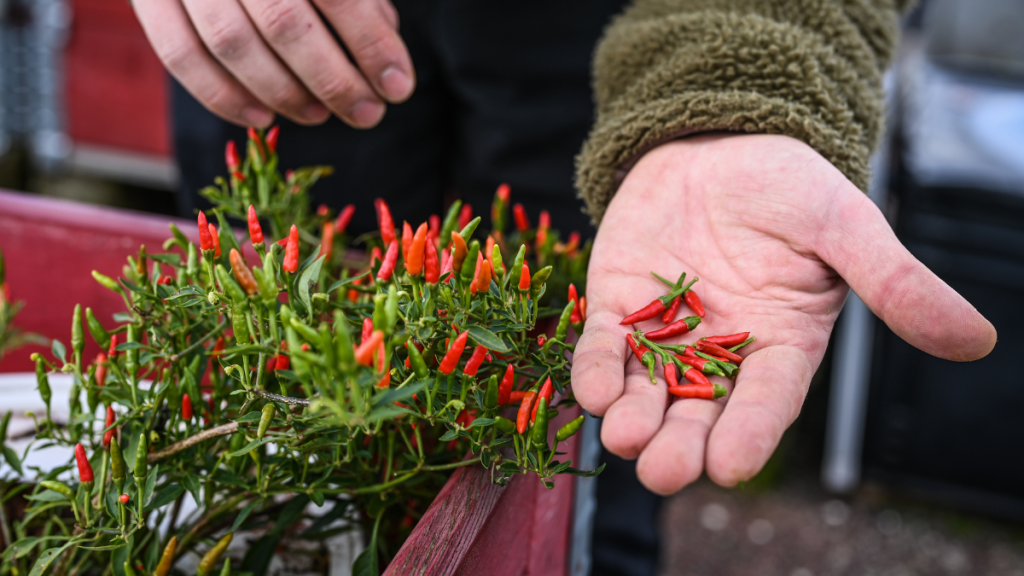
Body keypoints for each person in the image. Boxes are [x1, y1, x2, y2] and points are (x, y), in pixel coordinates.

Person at [133, 0, 997, 573]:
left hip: (615, 32)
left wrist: (740, 79)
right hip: (276, 26)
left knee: (587, 442)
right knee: (281, 411)